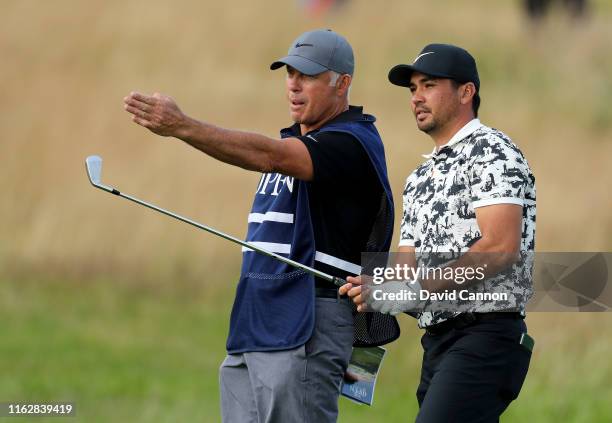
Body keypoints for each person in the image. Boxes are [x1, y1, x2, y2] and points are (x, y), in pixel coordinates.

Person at [123, 29, 397, 422]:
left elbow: (271, 156)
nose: (294, 85)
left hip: (307, 322)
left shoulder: (351, 142)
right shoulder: (297, 143)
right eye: (289, 74)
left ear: (343, 83)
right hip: (256, 323)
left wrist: (182, 126)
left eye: (308, 75)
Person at [340, 43, 537, 421]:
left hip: (487, 335)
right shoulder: (419, 178)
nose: (417, 98)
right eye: (413, 89)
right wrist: (372, 287)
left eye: (428, 85)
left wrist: (411, 290)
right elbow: (405, 271)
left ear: (466, 92)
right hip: (437, 343)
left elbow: (499, 249)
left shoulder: (493, 152)